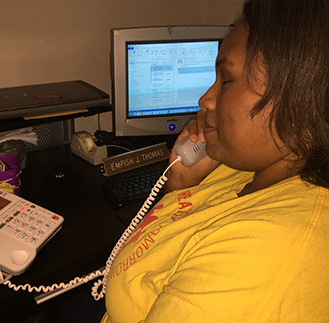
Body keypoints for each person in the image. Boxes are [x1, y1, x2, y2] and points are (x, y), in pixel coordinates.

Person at [100, 0, 329, 322]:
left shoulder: (264, 255)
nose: (205, 99)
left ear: (300, 102)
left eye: (227, 80)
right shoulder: (246, 169)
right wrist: (179, 185)